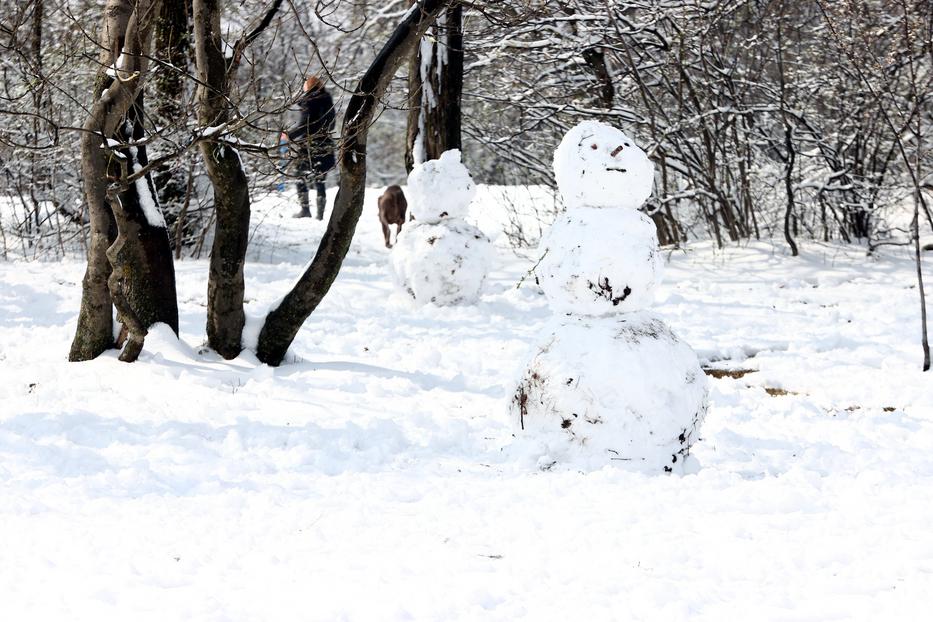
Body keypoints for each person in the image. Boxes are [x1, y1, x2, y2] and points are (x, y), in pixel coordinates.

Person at [281, 76, 336, 219]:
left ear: (309, 87)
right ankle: (320, 215)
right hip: (326, 144)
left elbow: (305, 125)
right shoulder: (328, 101)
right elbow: (332, 125)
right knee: (320, 179)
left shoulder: (310, 101)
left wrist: (289, 135)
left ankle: (305, 210)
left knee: (299, 174)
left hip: (310, 146)